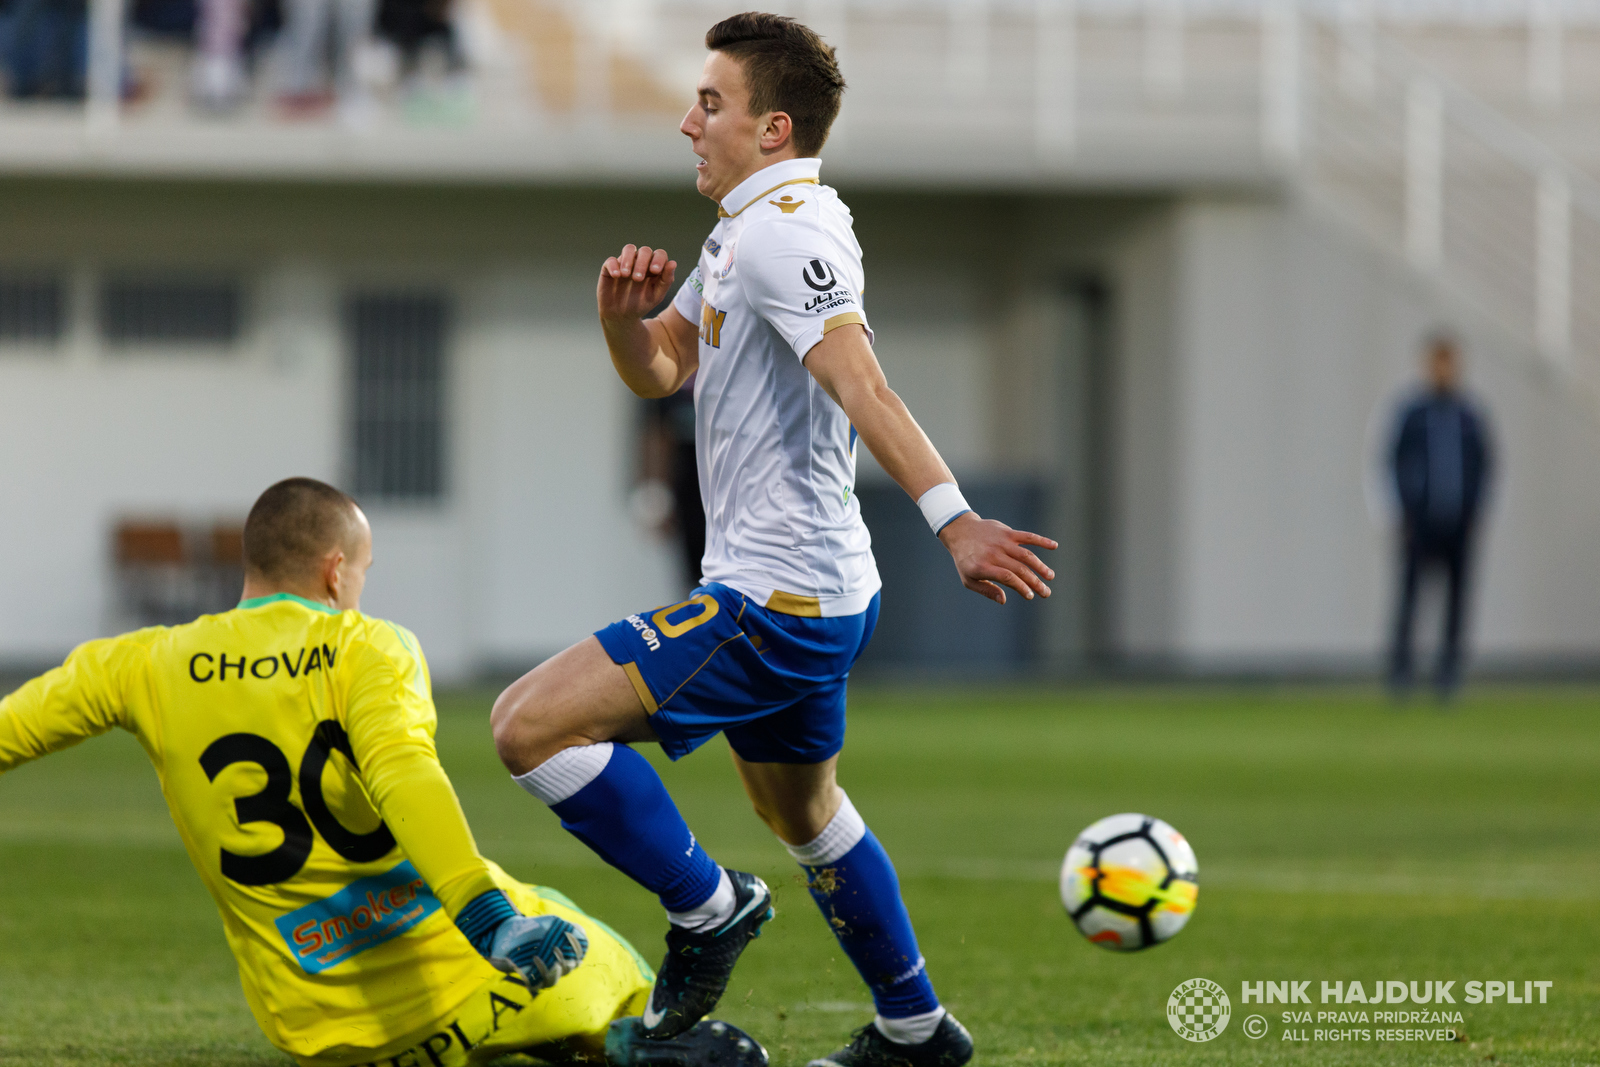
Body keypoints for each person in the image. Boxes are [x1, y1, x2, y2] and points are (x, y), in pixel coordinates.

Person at [490, 14, 1055, 1067]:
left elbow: (861, 382)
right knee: (805, 813)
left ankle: (707, 908)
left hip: (774, 598)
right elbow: (665, 365)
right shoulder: (746, 226)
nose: (687, 121)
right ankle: (916, 1025)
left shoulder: (788, 233)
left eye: (711, 103)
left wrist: (955, 518)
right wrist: (623, 320)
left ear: (773, 127)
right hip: (812, 590)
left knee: (527, 726)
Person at [0, 477, 764, 1067]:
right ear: (335, 571)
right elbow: (404, 773)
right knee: (565, 925)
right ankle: (627, 1040)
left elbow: (11, 731)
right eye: (362, 571)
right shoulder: (369, 646)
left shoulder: (141, 664)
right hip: (461, 997)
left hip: (318, 1034)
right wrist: (487, 917)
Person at [1386, 333, 1493, 697]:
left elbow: (1486, 466)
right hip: (1421, 521)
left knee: (1456, 602)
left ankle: (1448, 673)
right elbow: (1392, 463)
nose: (1443, 370)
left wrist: (1477, 511)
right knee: (1410, 599)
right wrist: (1400, 511)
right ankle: (1401, 672)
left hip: (1458, 522)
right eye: (1438, 362)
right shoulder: (1412, 414)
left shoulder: (1469, 415)